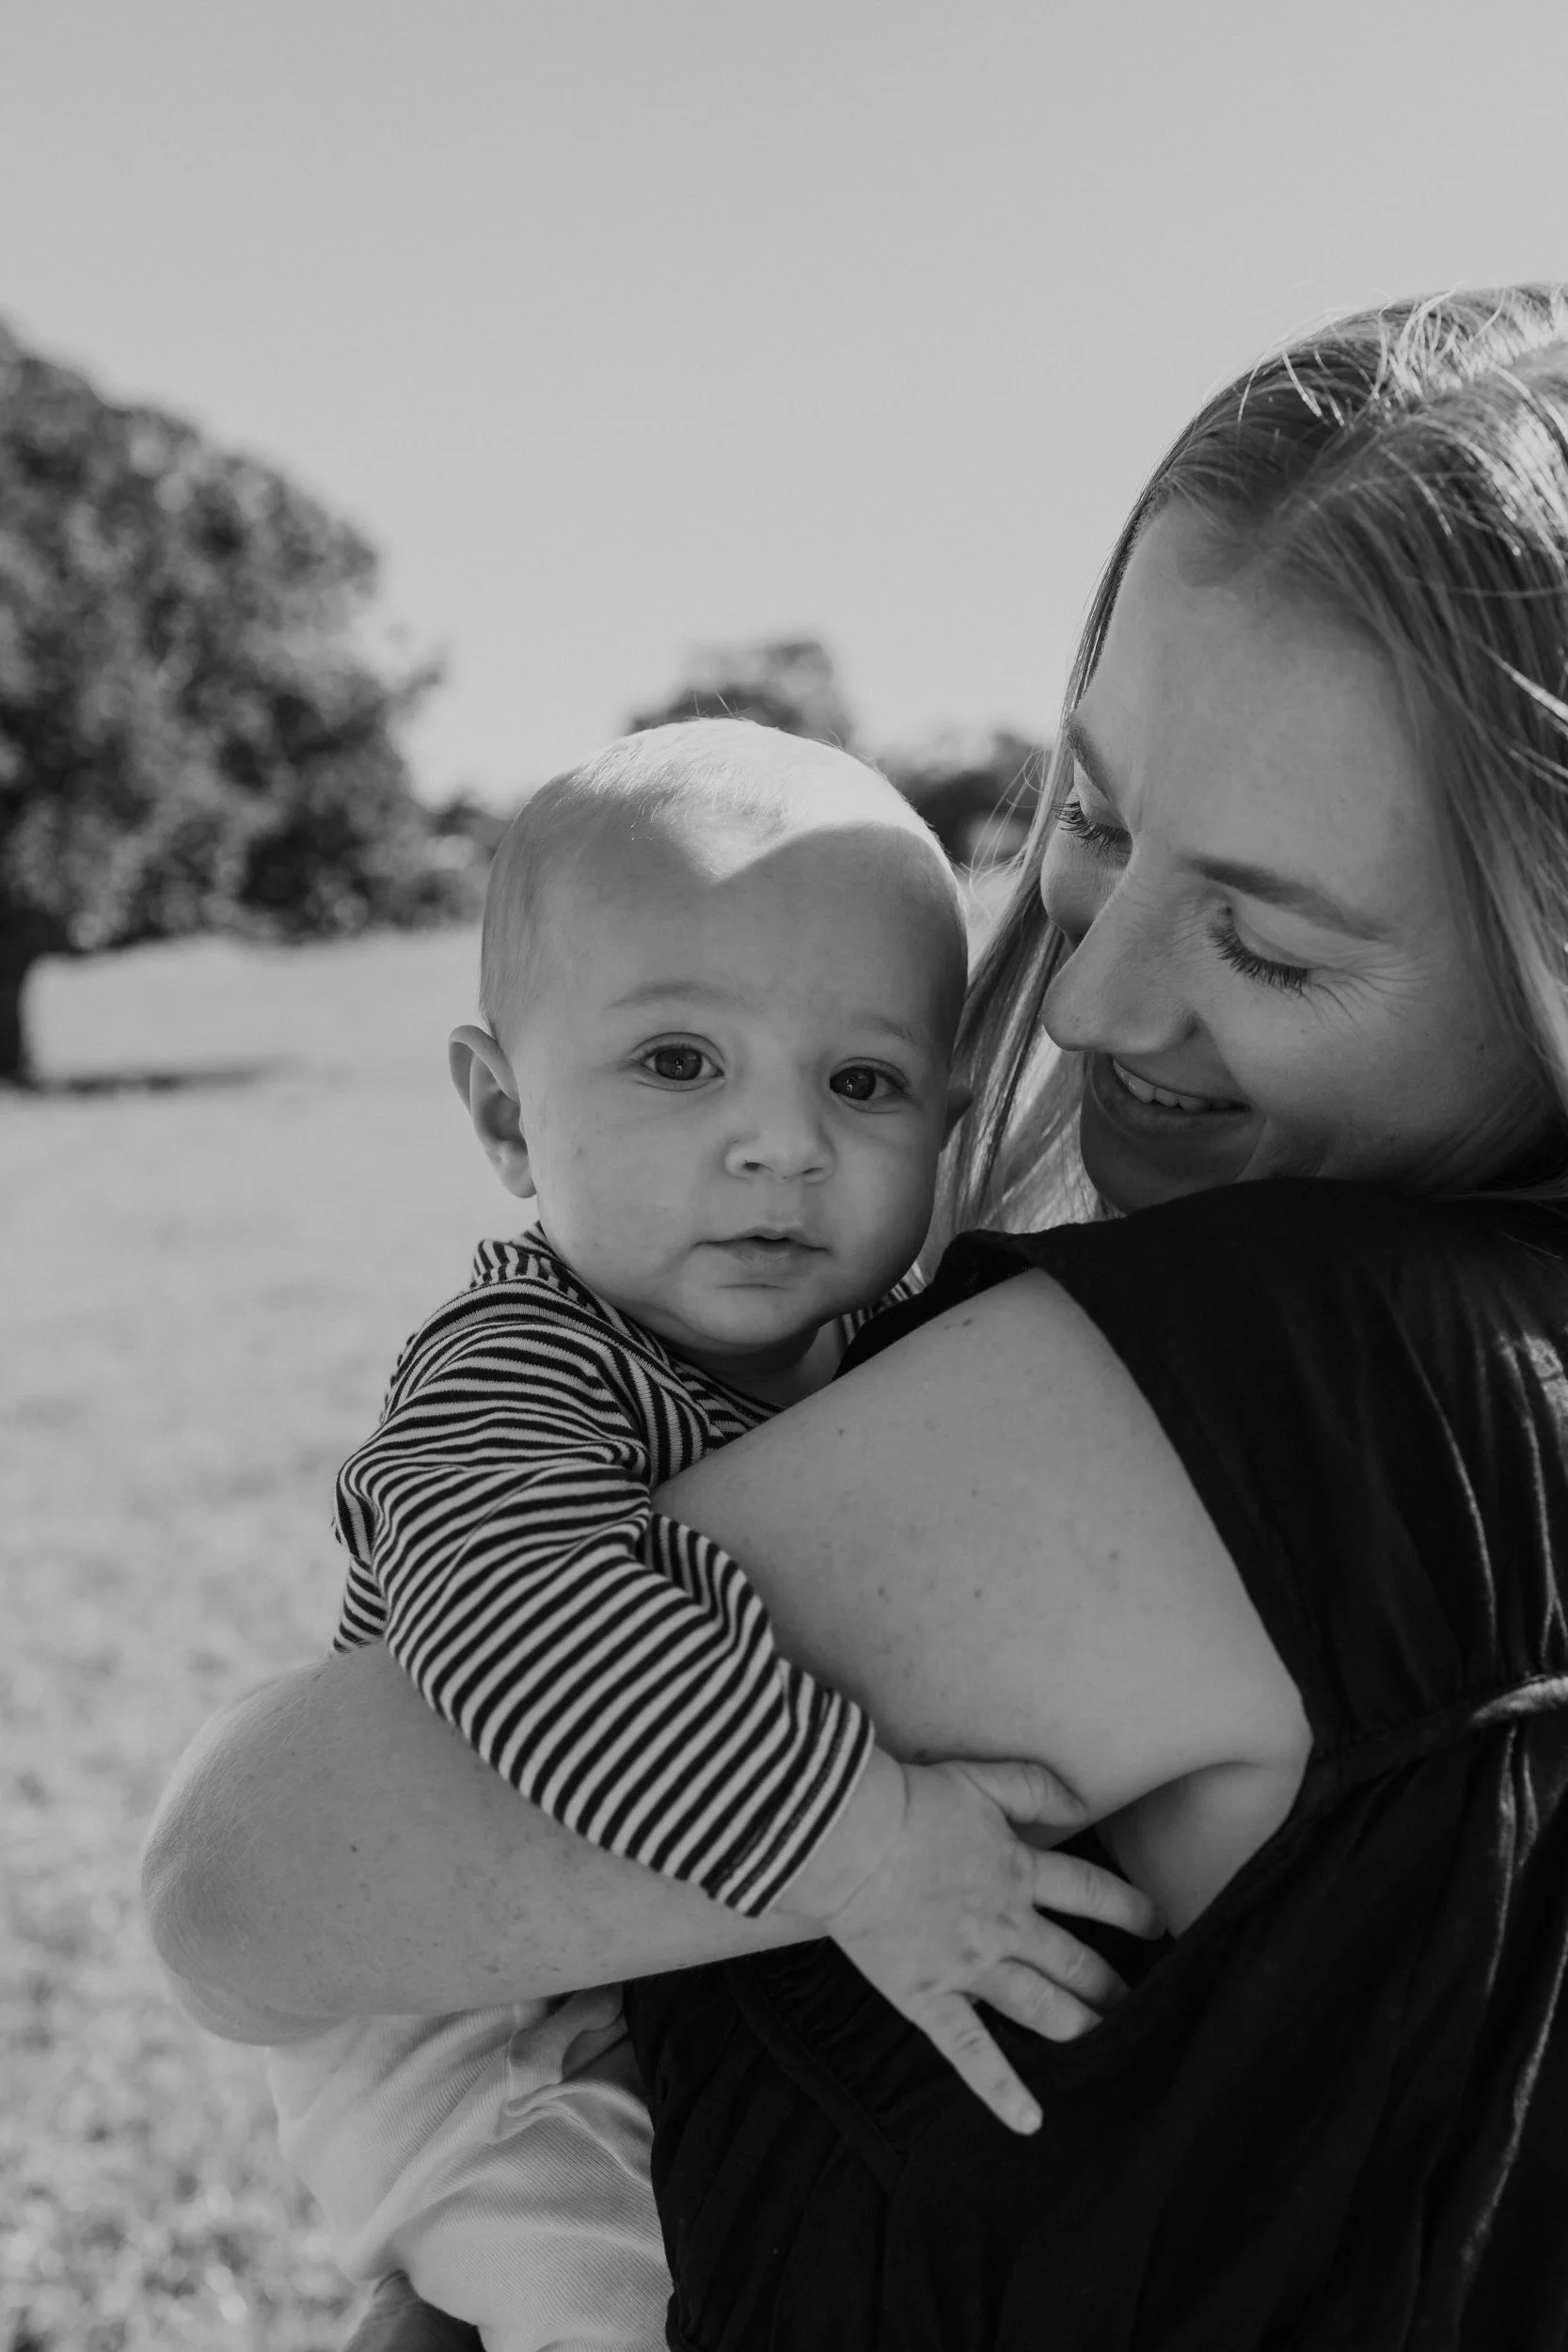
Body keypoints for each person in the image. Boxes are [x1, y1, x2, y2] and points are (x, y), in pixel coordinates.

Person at [143, 283, 1568, 2350]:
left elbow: (244, 1882)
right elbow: (480, 1628)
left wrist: (863, 1839)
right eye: (1088, 815)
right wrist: (854, 1832)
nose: (1078, 1002)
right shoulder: (556, 1352)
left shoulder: (1322, 1364)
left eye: (1260, 938)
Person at [261, 719, 1159, 2352]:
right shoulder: (517, 1371)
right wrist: (868, 1850)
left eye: (862, 1081)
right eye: (679, 1061)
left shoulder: (874, 1346)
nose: (781, 1141)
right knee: (630, 2299)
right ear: (505, 1114)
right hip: (483, 2027)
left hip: (664, 1953)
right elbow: (532, 1635)